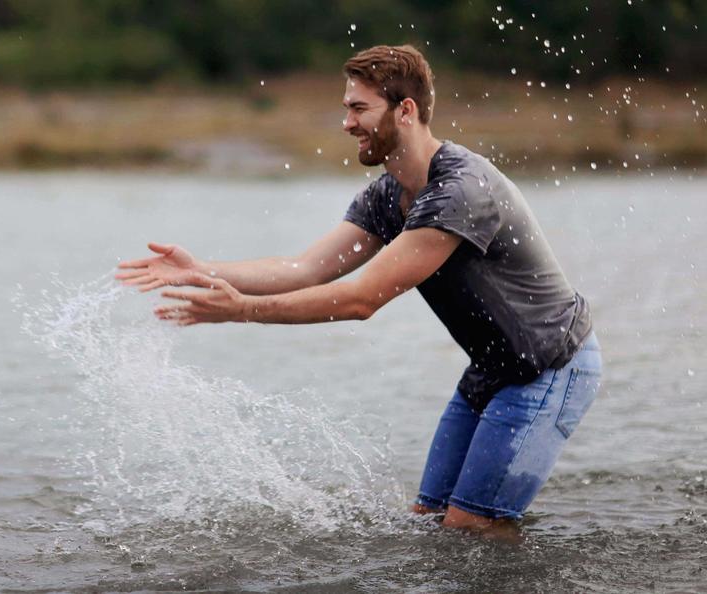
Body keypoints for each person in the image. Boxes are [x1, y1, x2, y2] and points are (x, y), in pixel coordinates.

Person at [116, 45, 601, 540]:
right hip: (492, 368)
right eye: (346, 108)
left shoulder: (459, 190)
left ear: (405, 111)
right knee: (430, 525)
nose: (347, 123)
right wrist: (202, 270)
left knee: (472, 526)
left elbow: (360, 300)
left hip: (549, 366)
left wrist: (241, 310)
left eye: (358, 108)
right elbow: (305, 268)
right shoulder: (387, 194)